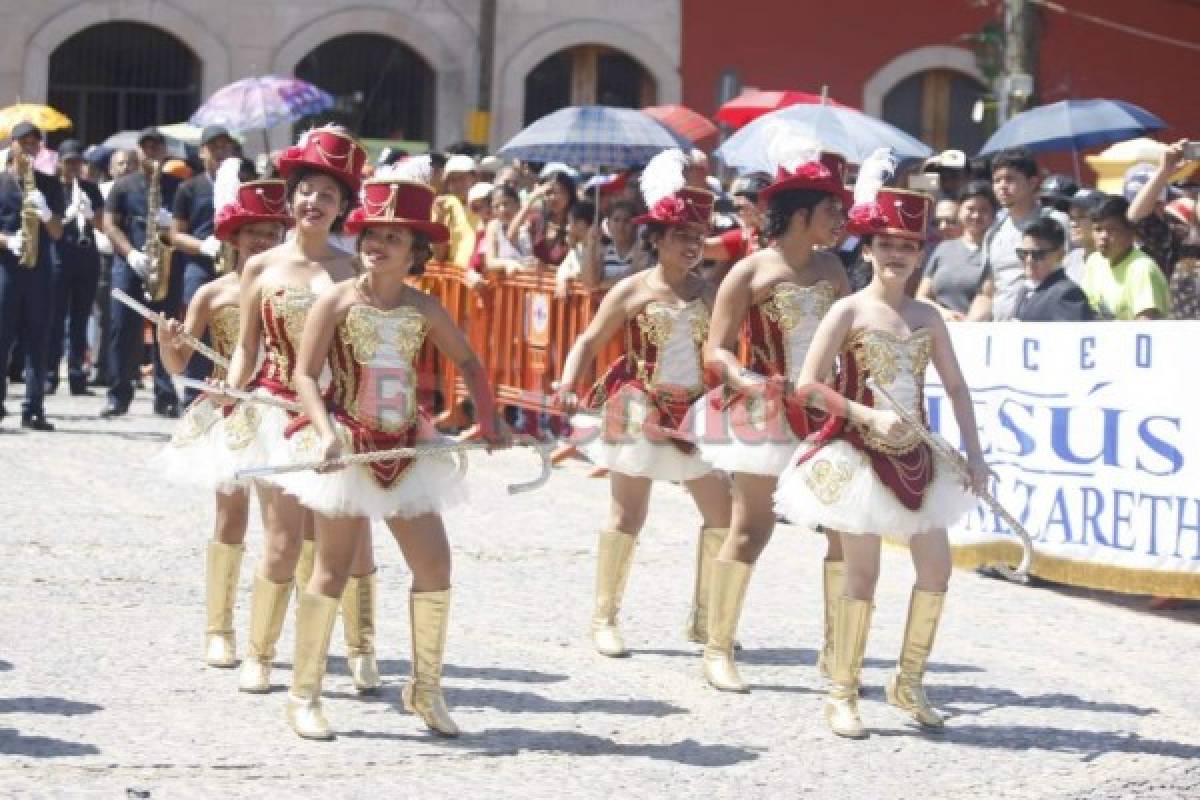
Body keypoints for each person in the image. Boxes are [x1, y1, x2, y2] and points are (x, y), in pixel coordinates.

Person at [269, 176, 507, 740]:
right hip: (349, 446)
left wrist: (490, 420)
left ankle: (425, 690)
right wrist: (325, 433)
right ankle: (304, 696)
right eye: (372, 234)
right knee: (332, 568)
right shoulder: (337, 299)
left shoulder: (425, 306)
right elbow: (304, 374)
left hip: (406, 449)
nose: (377, 245)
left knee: (435, 566)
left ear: (416, 251)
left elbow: (470, 362)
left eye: (393, 238)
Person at [775, 188, 985, 738]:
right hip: (858, 455)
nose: (897, 255)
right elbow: (806, 387)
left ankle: (909, 681)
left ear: (920, 254)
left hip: (917, 454)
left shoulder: (928, 316)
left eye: (909, 246)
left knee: (936, 571)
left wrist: (975, 455)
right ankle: (842, 693)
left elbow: (957, 388)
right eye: (887, 244)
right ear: (867, 249)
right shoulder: (847, 309)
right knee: (862, 576)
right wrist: (866, 419)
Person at [219, 127, 380, 697]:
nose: (315, 202)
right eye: (306, 191)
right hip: (278, 411)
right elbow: (245, 347)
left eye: (329, 196)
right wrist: (233, 402)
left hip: (345, 418)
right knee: (283, 539)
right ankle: (261, 654)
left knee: (353, 540)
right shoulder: (260, 267)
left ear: (343, 208)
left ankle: (362, 648)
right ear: (291, 199)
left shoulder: (354, 271)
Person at [554, 149, 732, 663]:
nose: (692, 246)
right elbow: (589, 340)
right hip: (637, 408)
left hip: (693, 412)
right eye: (681, 236)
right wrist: (568, 382)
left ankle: (705, 616)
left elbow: (723, 352)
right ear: (657, 239)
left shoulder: (711, 291)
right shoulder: (632, 289)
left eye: (698, 237)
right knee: (627, 512)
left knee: (721, 511)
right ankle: (605, 618)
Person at [695, 143, 858, 693]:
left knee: (842, 530)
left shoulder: (836, 269)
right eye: (832, 210)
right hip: (765, 412)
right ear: (802, 213)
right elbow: (714, 349)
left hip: (824, 413)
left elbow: (854, 338)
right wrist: (744, 381)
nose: (841, 220)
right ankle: (718, 648)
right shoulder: (749, 271)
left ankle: (837, 651)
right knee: (751, 530)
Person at [157, 163, 291, 667]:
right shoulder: (212, 294)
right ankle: (219, 628)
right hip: (229, 413)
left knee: (288, 524)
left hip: (280, 410)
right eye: (252, 232)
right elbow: (178, 364)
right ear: (233, 237)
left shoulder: (291, 293)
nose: (261, 240)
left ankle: (272, 631)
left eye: (271, 233)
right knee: (229, 514)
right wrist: (170, 345)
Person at [101, 127, 183, 419]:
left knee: (166, 329)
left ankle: (165, 395)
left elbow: (183, 227)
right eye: (146, 148)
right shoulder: (123, 185)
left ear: (164, 151)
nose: (151, 152)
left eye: (156, 147)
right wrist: (130, 253)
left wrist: (169, 226)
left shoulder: (177, 185)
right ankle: (118, 394)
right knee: (122, 329)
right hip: (131, 263)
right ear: (139, 151)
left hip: (165, 264)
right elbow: (109, 224)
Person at [0, 121, 66, 430]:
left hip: (39, 270)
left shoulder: (50, 185)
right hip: (6, 270)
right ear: (11, 145)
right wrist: (8, 240)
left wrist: (47, 212)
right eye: (22, 142)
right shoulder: (1, 181)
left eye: (33, 143)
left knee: (38, 339)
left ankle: (34, 408)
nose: (28, 148)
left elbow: (57, 232)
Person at [169, 125, 239, 405]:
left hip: (236, 264)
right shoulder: (189, 187)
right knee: (196, 327)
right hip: (201, 262)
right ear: (202, 152)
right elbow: (175, 234)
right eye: (214, 147)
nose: (221, 153)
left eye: (225, 147)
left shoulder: (241, 184)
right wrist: (202, 245)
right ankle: (192, 394)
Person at [984, 147, 1068, 320]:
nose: (1002, 186)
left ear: (1032, 183)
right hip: (1001, 330)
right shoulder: (993, 231)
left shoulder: (1057, 222)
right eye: (997, 180)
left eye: (1009, 179)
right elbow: (987, 292)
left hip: (1044, 327)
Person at [48, 139, 104, 396]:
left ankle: (77, 374)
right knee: (54, 319)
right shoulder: (50, 187)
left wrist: (90, 215)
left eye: (77, 162)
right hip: (58, 258)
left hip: (86, 260)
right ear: (59, 162)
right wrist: (68, 215)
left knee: (80, 321)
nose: (73, 167)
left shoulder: (91, 189)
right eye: (68, 162)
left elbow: (104, 225)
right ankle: (50, 373)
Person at [916, 182, 997, 321]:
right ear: (959, 211)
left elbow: (989, 298)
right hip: (939, 327)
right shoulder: (943, 249)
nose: (976, 215)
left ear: (993, 215)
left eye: (984, 210)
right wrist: (944, 313)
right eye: (970, 209)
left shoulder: (995, 251)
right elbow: (921, 296)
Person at [1080, 195, 1170, 320]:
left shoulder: (1142, 269)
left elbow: (1146, 330)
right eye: (1098, 229)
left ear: (1131, 232)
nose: (1103, 236)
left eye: (1111, 229)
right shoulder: (1094, 262)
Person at [1128, 141, 1196, 278]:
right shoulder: (1170, 236)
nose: (1164, 207)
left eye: (1163, 202)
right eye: (1156, 204)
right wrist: (1164, 170)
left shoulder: (1181, 229)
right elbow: (1136, 217)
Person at [1014, 217, 1095, 321]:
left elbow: (1074, 336)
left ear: (1060, 254)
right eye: (1023, 253)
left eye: (1038, 254)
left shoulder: (1067, 294)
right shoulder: (1025, 289)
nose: (1029, 260)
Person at [509, 170, 577, 267]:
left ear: (569, 195)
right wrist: (531, 200)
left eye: (558, 192)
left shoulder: (576, 224)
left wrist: (546, 267)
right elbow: (511, 238)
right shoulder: (537, 220)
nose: (553, 197)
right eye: (548, 193)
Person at [434, 154, 478, 268]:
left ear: (474, 178)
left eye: (462, 178)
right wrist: (440, 219)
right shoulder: (445, 205)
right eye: (453, 180)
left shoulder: (488, 203)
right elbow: (438, 256)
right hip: (455, 279)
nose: (458, 184)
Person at [1062, 189, 1104, 284]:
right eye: (1071, 217)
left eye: (1080, 217)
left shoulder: (1114, 260)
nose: (1073, 224)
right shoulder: (1071, 258)